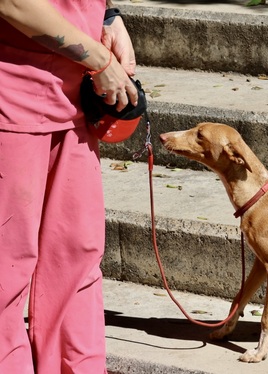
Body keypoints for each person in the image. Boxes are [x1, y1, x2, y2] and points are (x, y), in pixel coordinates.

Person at [0, 1, 138, 373]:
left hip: (74, 96)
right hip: (11, 95)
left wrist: (109, 16)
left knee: (77, 256)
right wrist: (100, 60)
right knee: (6, 268)